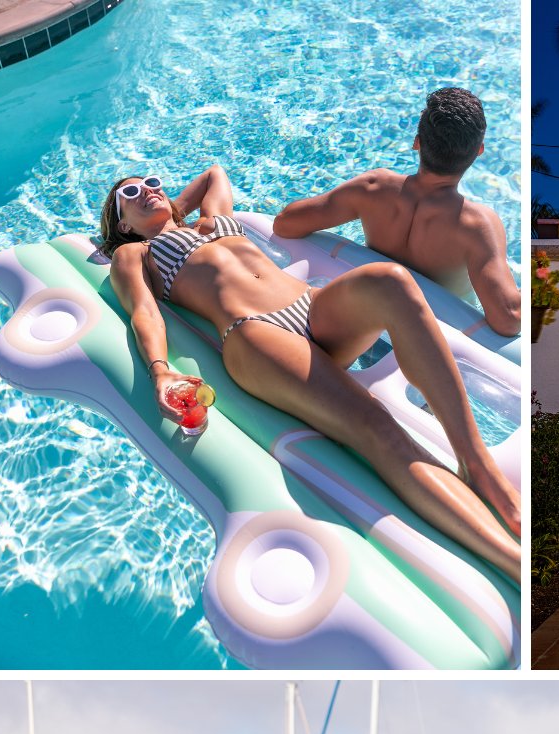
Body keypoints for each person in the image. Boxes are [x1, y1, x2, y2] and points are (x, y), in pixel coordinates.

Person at [99, 166, 520, 581]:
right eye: (130, 194)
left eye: (152, 182)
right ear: (122, 223)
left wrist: (173, 208)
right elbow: (145, 313)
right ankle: (513, 561)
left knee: (391, 280)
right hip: (255, 334)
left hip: (311, 307)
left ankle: (475, 462)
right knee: (376, 426)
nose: (146, 191)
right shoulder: (135, 253)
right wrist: (160, 371)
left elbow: (214, 173)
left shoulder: (212, 218)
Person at [273, 88, 520, 338]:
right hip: (425, 338)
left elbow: (285, 223)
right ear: (478, 151)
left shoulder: (372, 188)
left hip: (359, 324)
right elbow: (508, 319)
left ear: (417, 142)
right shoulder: (476, 225)